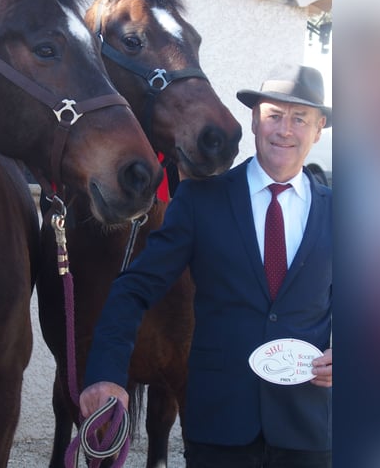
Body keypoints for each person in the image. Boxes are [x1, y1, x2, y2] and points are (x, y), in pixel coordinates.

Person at [80, 64, 333, 467]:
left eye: (299, 118)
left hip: (309, 430)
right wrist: (106, 373)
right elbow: (134, 288)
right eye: (274, 115)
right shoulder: (201, 202)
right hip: (219, 427)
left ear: (318, 130)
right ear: (254, 120)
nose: (285, 129)